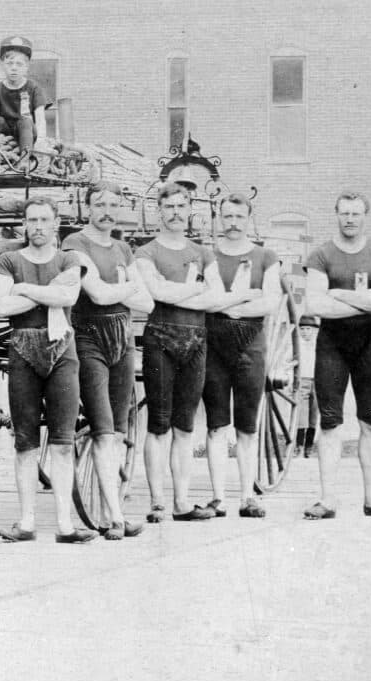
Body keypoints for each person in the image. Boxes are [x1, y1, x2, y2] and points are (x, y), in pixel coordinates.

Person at [0, 198, 95, 544]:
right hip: (22, 349)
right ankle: (27, 522)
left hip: (62, 349)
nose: (37, 226)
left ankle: (65, 524)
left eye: (44, 219)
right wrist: (48, 292)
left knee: (64, 441)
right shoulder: (9, 260)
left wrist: (25, 289)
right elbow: (1, 306)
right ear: (23, 224)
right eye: (31, 219)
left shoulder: (69, 258)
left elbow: (69, 298)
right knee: (25, 442)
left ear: (56, 224)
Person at [133, 183, 236, 524]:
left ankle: (181, 502)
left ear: (189, 209)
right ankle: (158, 502)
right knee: (159, 424)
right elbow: (155, 291)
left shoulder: (203, 253)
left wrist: (176, 293)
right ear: (159, 211)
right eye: (169, 207)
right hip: (160, 338)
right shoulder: (145, 252)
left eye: (181, 206)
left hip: (196, 341)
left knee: (185, 427)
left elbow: (218, 296)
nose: (175, 212)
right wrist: (196, 288)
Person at [300, 192, 371, 519]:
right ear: (336, 215)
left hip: (369, 345)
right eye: (344, 213)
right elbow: (314, 305)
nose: (350, 219)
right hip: (332, 346)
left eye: (356, 213)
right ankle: (327, 501)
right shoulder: (321, 255)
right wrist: (362, 298)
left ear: (365, 215)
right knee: (329, 423)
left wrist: (339, 293)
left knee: (370, 421)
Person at [60, 185, 152, 539]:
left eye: (114, 205)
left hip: (123, 338)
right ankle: (115, 517)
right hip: (88, 337)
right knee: (102, 425)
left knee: (116, 430)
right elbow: (96, 294)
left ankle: (115, 511)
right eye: (100, 204)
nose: (107, 211)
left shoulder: (123, 247)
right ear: (87, 207)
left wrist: (126, 290)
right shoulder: (75, 244)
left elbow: (149, 303)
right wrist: (129, 285)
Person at [198, 194, 282, 518]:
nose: (233, 222)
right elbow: (205, 300)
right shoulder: (208, 256)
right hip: (214, 347)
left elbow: (271, 302)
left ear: (248, 218)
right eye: (228, 216)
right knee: (217, 424)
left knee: (247, 426)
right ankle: (218, 498)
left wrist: (227, 304)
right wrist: (245, 298)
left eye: (239, 216)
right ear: (219, 218)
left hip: (251, 347)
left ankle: (247, 496)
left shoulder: (266, 257)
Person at [0, 36, 49, 155]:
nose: (14, 68)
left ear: (27, 67)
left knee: (25, 121)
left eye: (19, 64)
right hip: (4, 130)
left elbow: (40, 118)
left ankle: (25, 160)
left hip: (27, 131)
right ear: (2, 65)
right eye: (9, 63)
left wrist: (41, 141)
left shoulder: (34, 88)